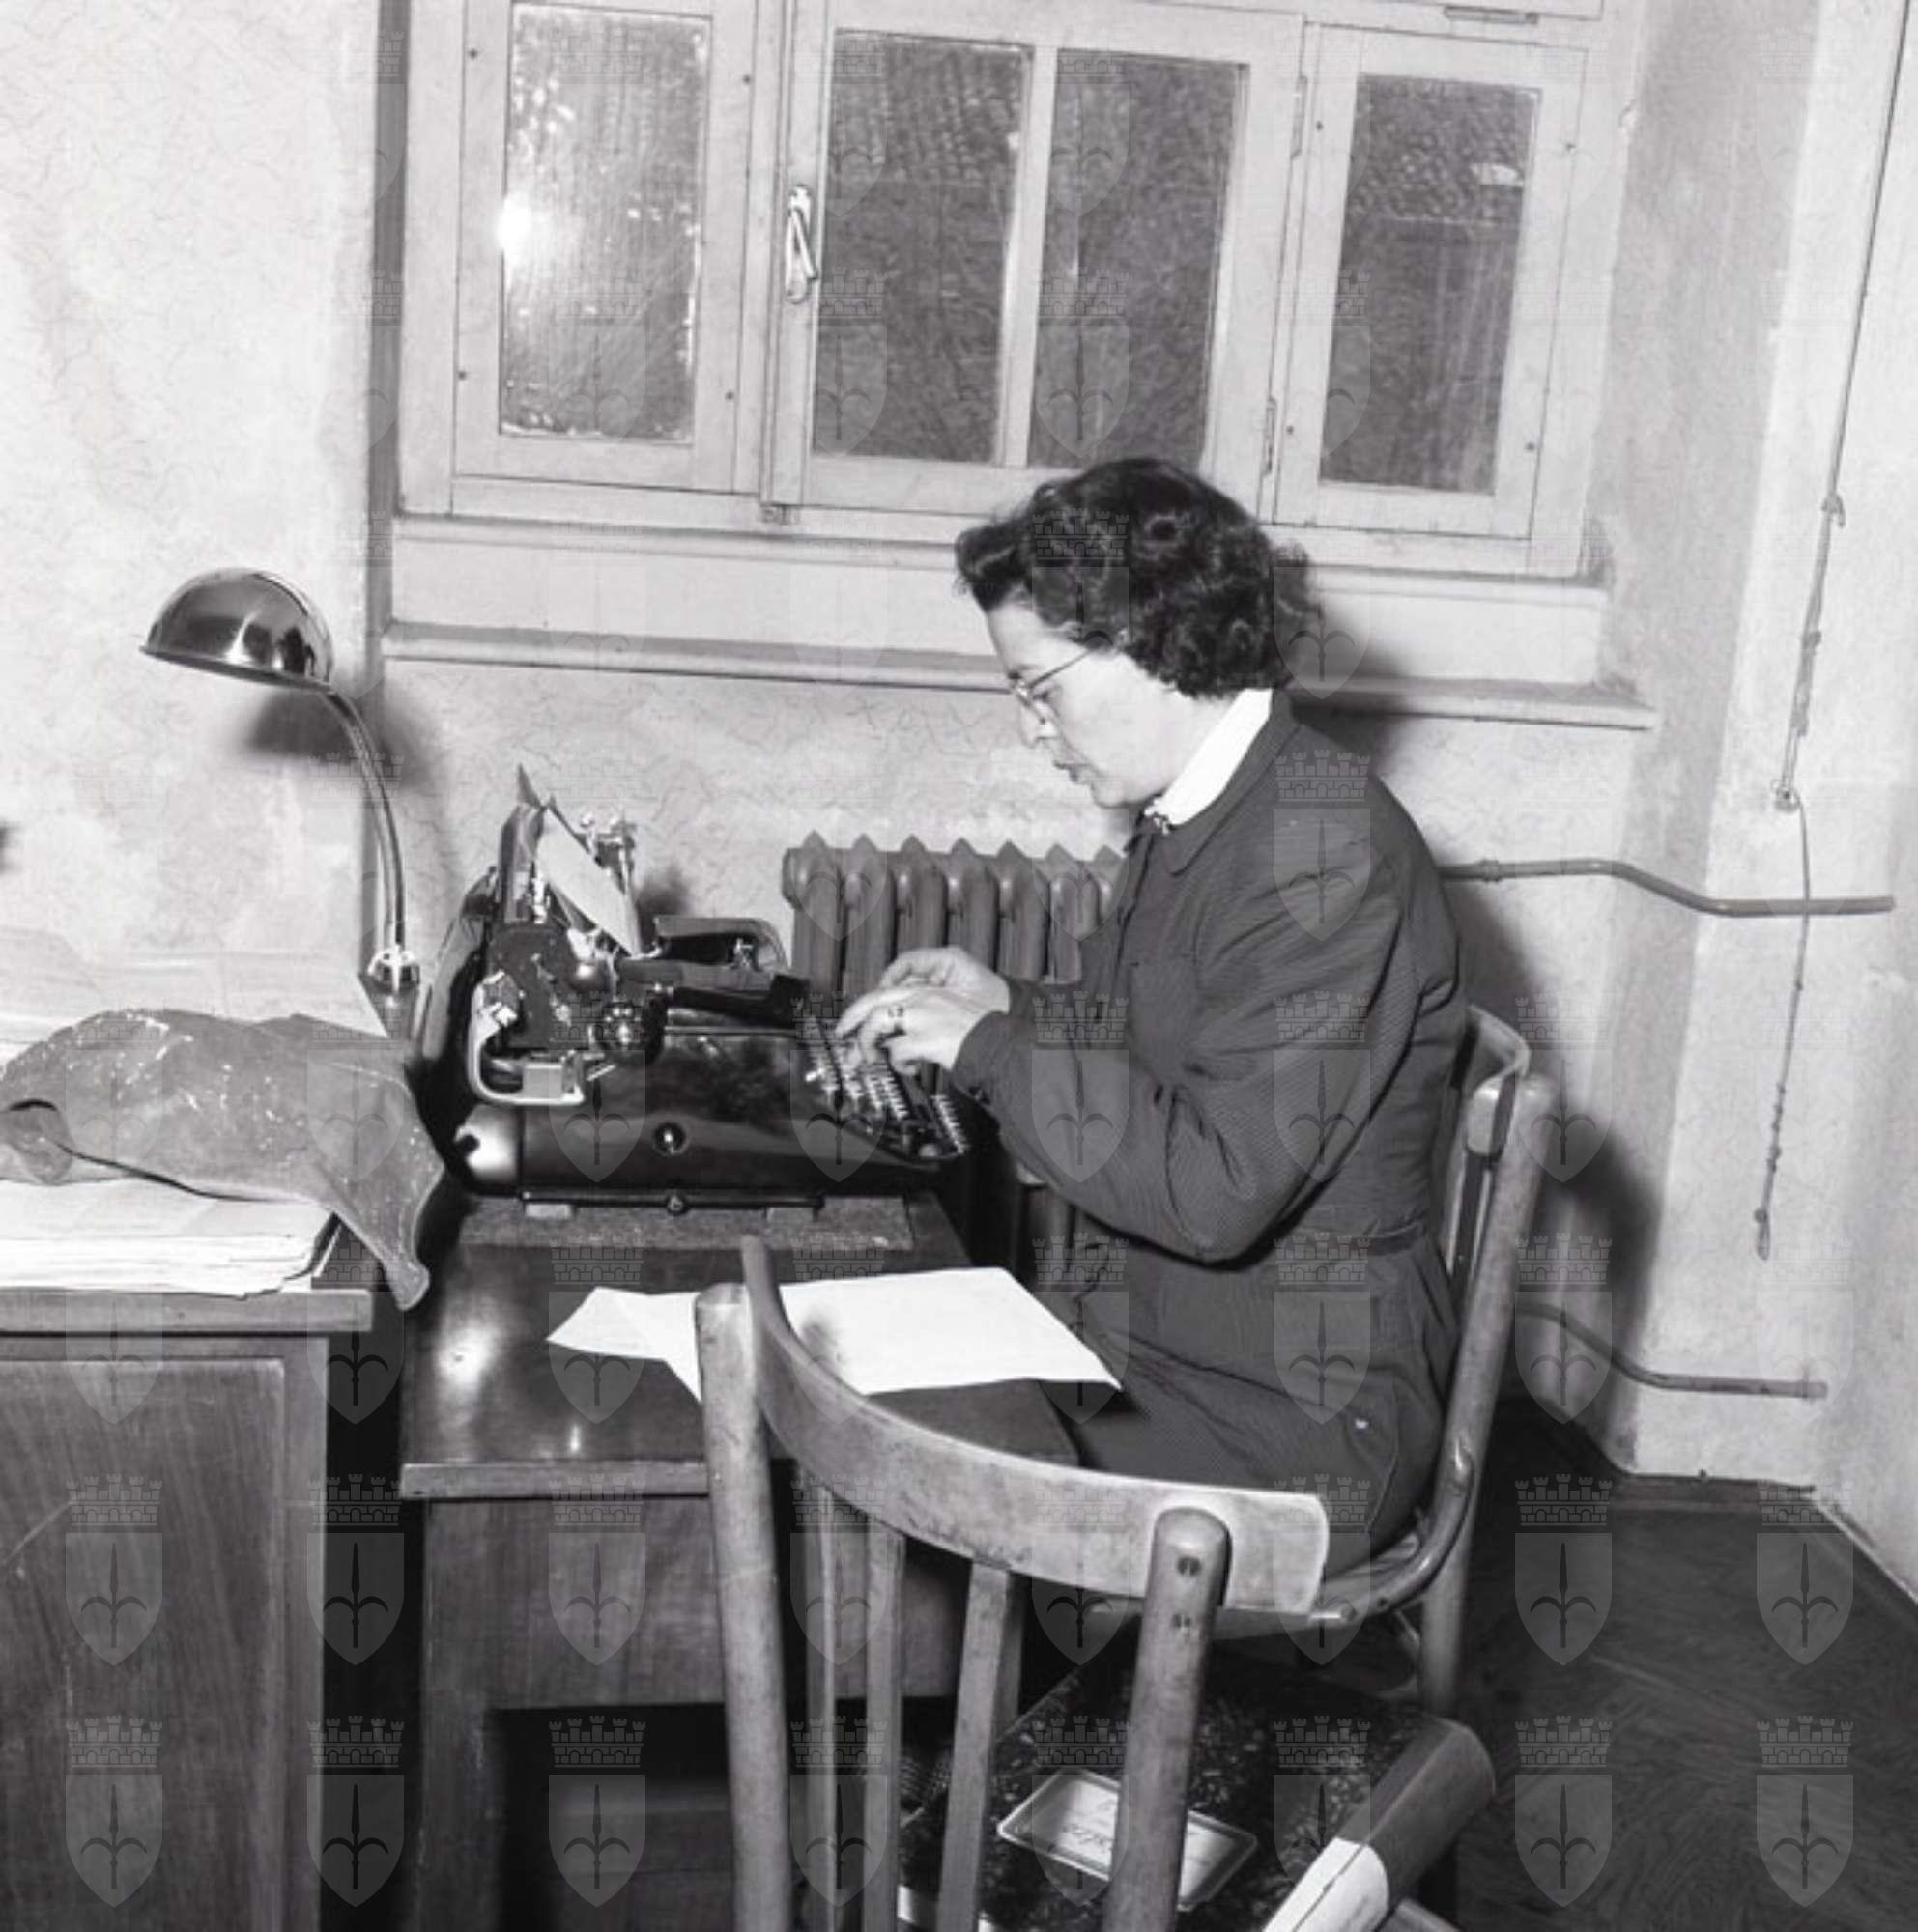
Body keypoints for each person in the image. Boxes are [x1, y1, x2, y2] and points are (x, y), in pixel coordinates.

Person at [837, 457, 1465, 1552]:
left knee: (875, 1473)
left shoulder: (1322, 853)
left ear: (1149, 638)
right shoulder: (1209, 810)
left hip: (1292, 1416)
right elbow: (1158, 1049)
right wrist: (1008, 1004)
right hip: (1166, 1342)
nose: (1032, 730)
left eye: (1039, 688)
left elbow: (1212, 1193)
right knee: (850, 1391)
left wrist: (989, 1051)